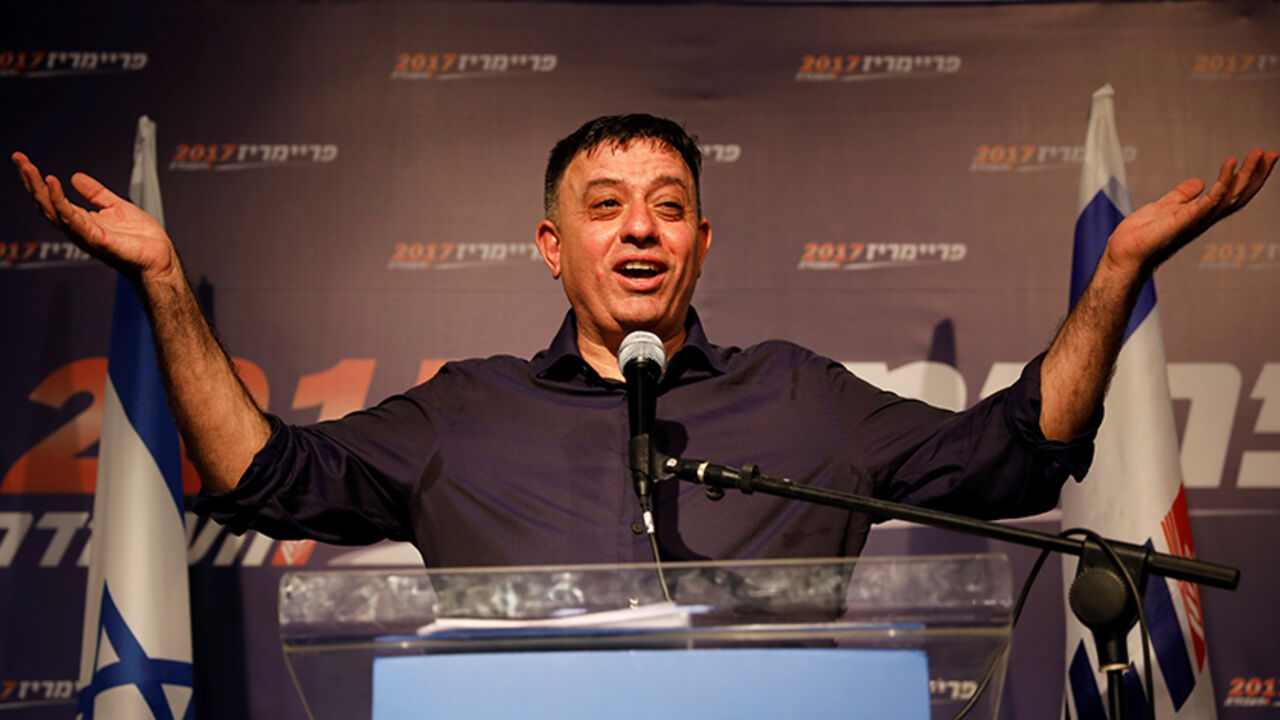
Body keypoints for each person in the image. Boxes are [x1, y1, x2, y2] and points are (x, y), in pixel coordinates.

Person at [12, 115, 1277, 567]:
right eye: (604, 208)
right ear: (550, 248)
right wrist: (165, 285)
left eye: (667, 209)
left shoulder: (801, 400)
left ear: (701, 244)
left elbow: (1011, 459)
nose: (639, 232)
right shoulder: (465, 410)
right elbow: (259, 480)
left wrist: (1114, 274)